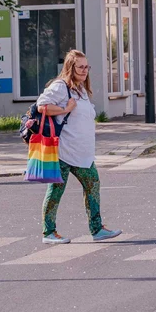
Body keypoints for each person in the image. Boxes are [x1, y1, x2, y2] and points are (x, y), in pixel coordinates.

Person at [37, 50, 122, 245]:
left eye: (87, 67)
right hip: (63, 152)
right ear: (70, 67)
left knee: (93, 185)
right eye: (80, 67)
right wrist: (65, 109)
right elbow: (41, 106)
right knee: (56, 191)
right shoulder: (60, 87)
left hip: (82, 153)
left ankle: (97, 229)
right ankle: (48, 232)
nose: (85, 71)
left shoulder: (81, 89)